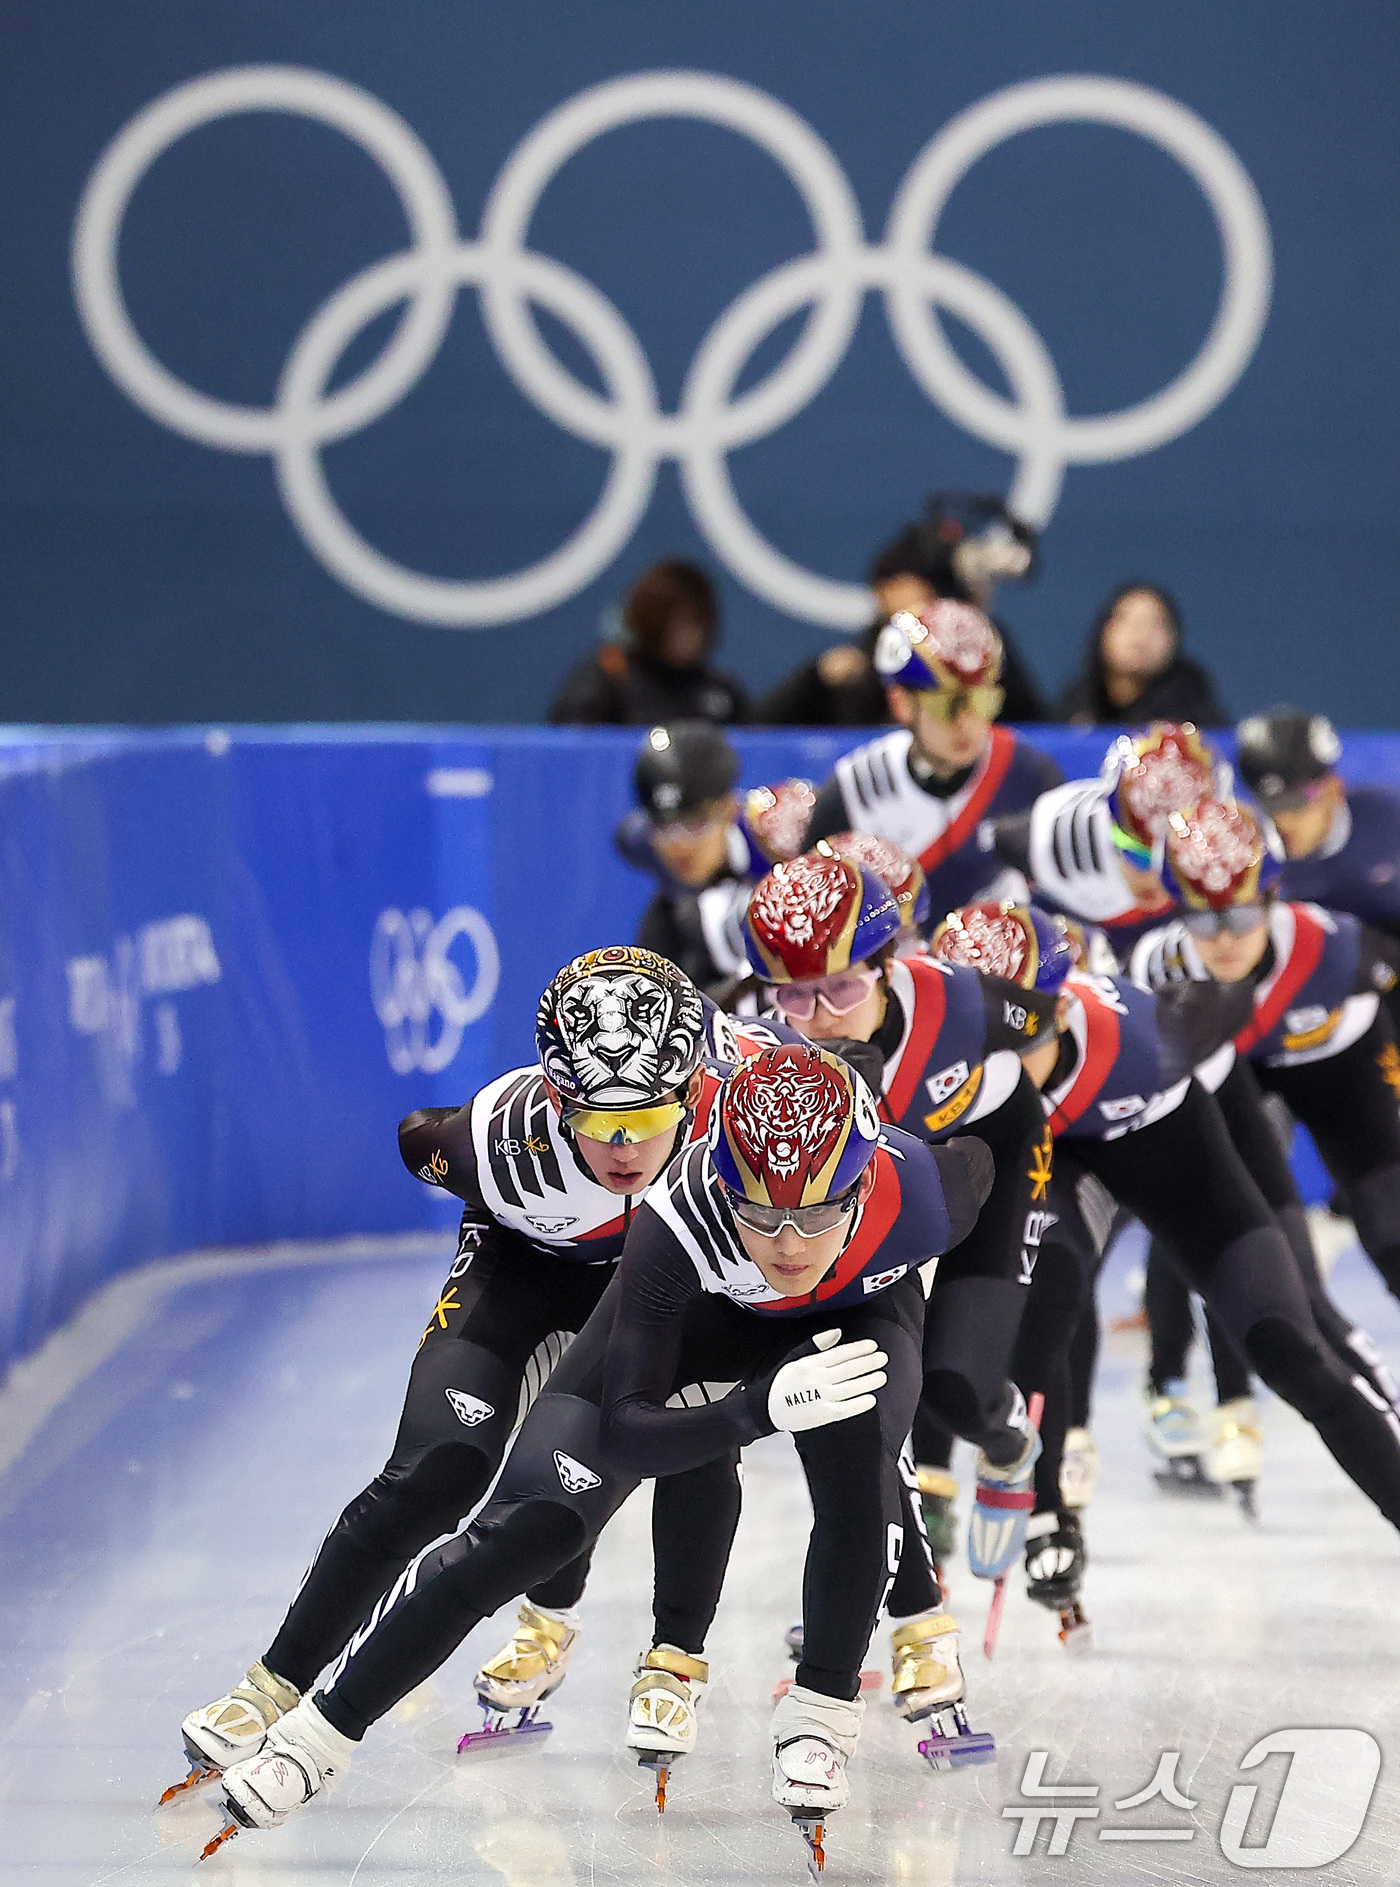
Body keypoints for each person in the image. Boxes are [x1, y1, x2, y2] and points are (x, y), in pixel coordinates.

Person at [204, 1047, 993, 1858]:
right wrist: (753, 1409)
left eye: (815, 1213)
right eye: (759, 1214)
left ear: (861, 1186)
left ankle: (823, 1709)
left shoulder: (928, 1196)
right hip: (703, 1317)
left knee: (861, 1457)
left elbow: (991, 1156)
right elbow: (624, 1428)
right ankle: (319, 1736)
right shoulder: (679, 1216)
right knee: (532, 1524)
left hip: (858, 1311)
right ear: (723, 1184)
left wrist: (970, 1357)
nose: (787, 1245)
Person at [163, 948, 746, 1801]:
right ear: (555, 1097)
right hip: (524, 1265)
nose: (623, 1148)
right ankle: (273, 1681)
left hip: (659, 1283)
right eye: (596, 1121)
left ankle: (673, 1658)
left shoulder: (740, 1119)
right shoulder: (488, 1140)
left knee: (693, 1431)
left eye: (646, 1118)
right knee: (436, 1471)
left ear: (693, 1089)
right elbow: (415, 1135)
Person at [988, 901, 1400, 1643]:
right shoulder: (960, 1069)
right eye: (975, 1043)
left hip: (1174, 1150)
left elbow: (1249, 1137)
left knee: (1290, 1350)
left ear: (1055, 1015)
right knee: (1045, 1294)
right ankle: (1048, 1509)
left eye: (1012, 1043)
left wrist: (1280, 1228)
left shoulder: (1155, 1028)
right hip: (1057, 1162)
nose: (993, 1069)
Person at [742, 854, 1059, 1714]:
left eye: (839, 987)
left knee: (957, 1388)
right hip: (882, 1199)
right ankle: (893, 1595)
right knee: (868, 1390)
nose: (814, 1015)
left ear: (887, 962)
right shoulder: (766, 1037)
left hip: (989, 1162)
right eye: (792, 994)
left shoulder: (960, 1000)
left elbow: (1050, 1017)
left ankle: (1006, 1441)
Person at [1133, 796, 1400, 1317]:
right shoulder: (1156, 972)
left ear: (1273, 898)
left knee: (1392, 1231)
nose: (1226, 938)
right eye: (1204, 920)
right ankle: (1171, 1372)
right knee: (1253, 1245)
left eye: (1240, 914)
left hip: (1338, 1062)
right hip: (1240, 1073)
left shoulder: (1338, 948)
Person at [801, 600, 1064, 919]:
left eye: (981, 700)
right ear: (901, 704)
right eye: (947, 705)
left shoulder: (1031, 775)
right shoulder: (856, 791)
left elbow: (1070, 908)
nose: (966, 722)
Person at [757, 492, 1047, 726]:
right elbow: (758, 732)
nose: (891, 595)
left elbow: (1038, 726)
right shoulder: (864, 657)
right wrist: (815, 678)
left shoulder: (983, 646)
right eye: (886, 584)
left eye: (924, 587)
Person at [614, 724, 817, 996]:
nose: (679, 847)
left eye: (695, 824)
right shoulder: (640, 844)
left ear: (731, 807)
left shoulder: (781, 839)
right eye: (664, 828)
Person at [1237, 707, 1400, 972]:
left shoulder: (1392, 821)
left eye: (1296, 803)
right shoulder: (1248, 856)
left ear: (1334, 789)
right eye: (1271, 806)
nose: (1283, 822)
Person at [550, 560, 748, 726]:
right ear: (652, 622)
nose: (688, 635)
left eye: (695, 623)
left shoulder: (720, 690)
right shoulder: (608, 680)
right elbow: (575, 745)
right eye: (676, 624)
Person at [1056, 584, 1228, 727]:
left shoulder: (1197, 712)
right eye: (1127, 620)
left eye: (1155, 623)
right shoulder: (1077, 705)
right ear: (1104, 630)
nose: (1140, 633)